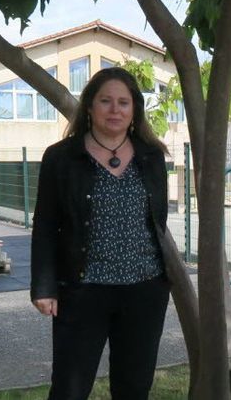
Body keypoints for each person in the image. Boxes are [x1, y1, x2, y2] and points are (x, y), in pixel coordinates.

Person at [31, 67, 173, 399]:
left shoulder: (152, 157)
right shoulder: (61, 158)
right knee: (69, 388)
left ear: (134, 110)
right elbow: (46, 225)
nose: (115, 110)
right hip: (82, 291)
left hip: (144, 290)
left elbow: (157, 221)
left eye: (124, 102)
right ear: (90, 108)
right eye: (106, 101)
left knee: (135, 387)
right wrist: (44, 286)